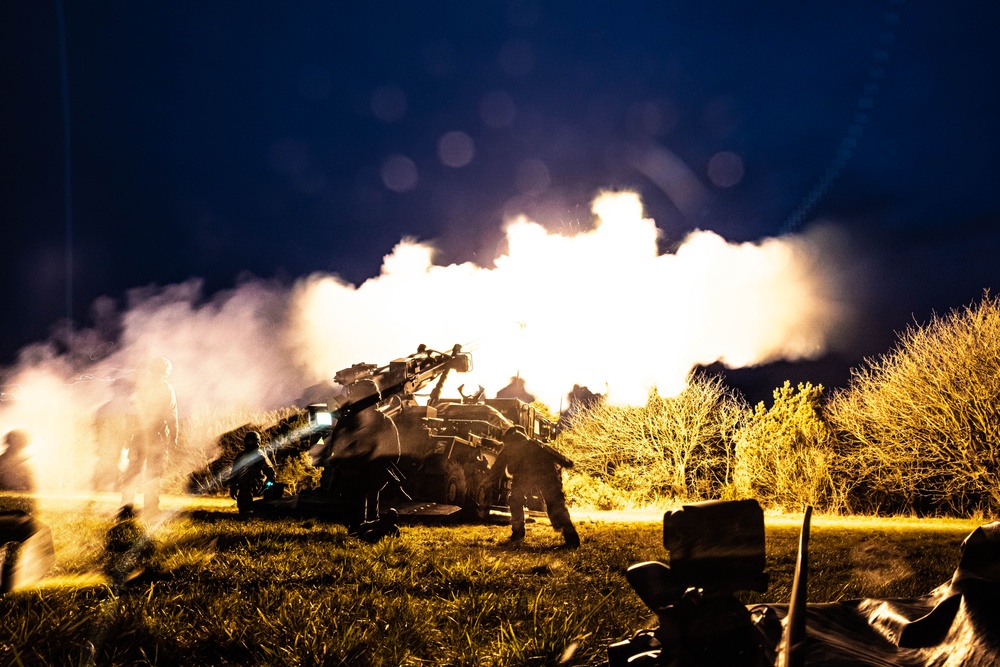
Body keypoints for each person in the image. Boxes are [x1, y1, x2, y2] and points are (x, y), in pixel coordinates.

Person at [493, 425, 580, 548]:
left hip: (525, 475)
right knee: (555, 504)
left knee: (516, 500)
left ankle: (517, 533)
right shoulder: (535, 444)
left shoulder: (509, 448)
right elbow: (555, 455)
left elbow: (497, 468)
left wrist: (487, 481)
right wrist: (567, 462)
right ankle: (572, 540)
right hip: (546, 474)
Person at [121, 357, 178, 516]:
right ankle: (150, 508)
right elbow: (172, 417)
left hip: (139, 436)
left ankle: (126, 508)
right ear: (166, 371)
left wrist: (128, 437)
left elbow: (132, 414)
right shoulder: (166, 389)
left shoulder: (142, 388)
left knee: (133, 471)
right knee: (153, 473)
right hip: (156, 437)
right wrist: (173, 440)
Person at [228, 431, 276, 513]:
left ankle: (250, 510)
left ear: (257, 442)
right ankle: (245, 511)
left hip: (257, 484)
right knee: (243, 501)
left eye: (252, 441)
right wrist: (233, 487)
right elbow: (234, 473)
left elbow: (270, 472)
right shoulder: (241, 456)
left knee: (247, 493)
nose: (250, 443)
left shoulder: (260, 456)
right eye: (248, 441)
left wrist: (267, 485)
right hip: (243, 485)